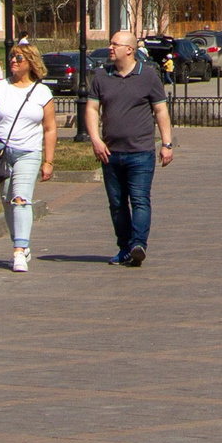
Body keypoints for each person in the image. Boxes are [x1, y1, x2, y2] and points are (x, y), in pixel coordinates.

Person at [83, 28, 173, 267]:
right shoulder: (102, 76)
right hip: (110, 153)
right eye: (111, 43)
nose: (110, 48)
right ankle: (124, 248)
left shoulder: (148, 76)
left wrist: (166, 143)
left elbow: (160, 110)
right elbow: (92, 108)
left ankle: (138, 245)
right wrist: (96, 140)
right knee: (117, 203)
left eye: (115, 44)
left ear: (129, 50)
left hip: (141, 152)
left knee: (140, 199)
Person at [0, 43, 56, 272]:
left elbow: (50, 128)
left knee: (20, 199)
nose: (13, 61)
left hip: (29, 152)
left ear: (31, 62)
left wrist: (48, 161)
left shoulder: (42, 92)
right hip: (1, 152)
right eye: (12, 57)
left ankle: (18, 251)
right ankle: (22, 243)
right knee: (8, 201)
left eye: (19, 58)